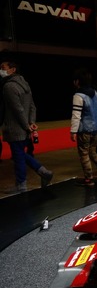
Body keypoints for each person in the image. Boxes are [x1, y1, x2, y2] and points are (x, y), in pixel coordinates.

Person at [0, 61, 53, 193]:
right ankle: (43, 172)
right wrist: (31, 123)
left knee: (18, 156)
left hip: (15, 128)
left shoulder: (9, 87)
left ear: (12, 69)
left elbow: (18, 110)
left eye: (3, 68)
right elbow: (32, 106)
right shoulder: (25, 84)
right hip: (25, 127)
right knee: (20, 154)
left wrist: (26, 125)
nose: (1, 70)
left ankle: (22, 185)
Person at [70, 68, 97, 187]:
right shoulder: (95, 93)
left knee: (84, 153)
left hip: (84, 129)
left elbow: (76, 115)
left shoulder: (78, 96)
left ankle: (88, 179)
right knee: (92, 150)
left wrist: (73, 131)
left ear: (77, 81)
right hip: (96, 128)